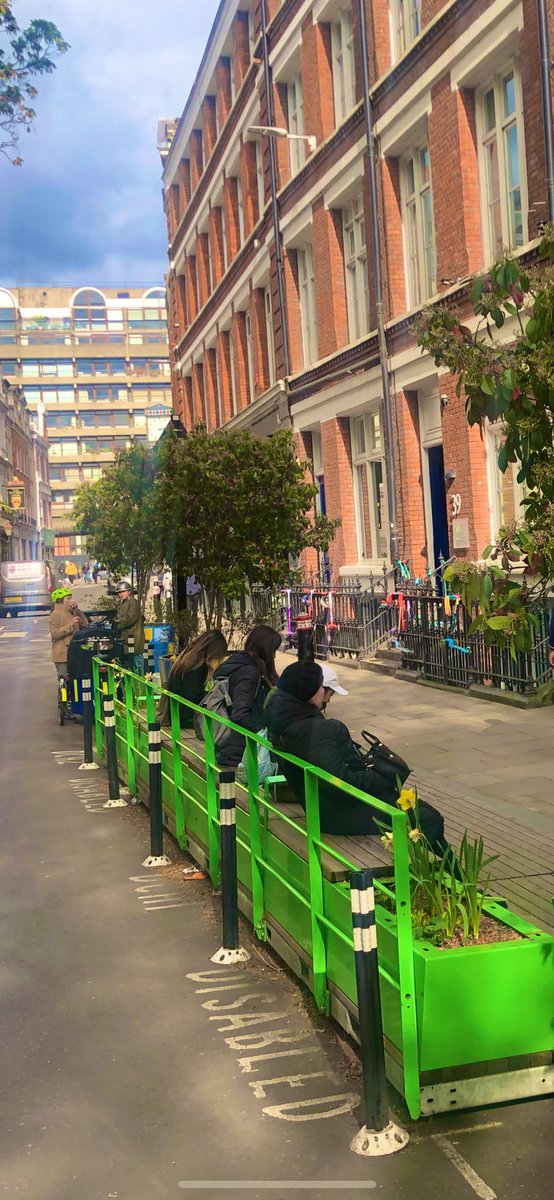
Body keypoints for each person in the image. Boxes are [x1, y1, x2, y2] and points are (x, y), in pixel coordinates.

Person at [264, 659, 448, 851]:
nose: (323, 693)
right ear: (308, 692)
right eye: (320, 686)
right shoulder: (318, 730)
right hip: (340, 814)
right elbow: (340, 784)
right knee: (429, 819)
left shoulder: (282, 724)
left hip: (323, 807)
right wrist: (382, 778)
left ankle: (445, 874)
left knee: (422, 811)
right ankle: (430, 877)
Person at [212, 624, 281, 766]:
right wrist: (265, 733)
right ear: (265, 648)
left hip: (237, 746)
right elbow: (240, 714)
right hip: (240, 749)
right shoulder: (250, 672)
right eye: (273, 650)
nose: (274, 656)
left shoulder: (242, 665)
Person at [157, 630, 228, 727]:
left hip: (176, 712)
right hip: (184, 717)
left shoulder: (189, 655)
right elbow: (193, 695)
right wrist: (215, 696)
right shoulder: (197, 664)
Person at [48, 587, 88, 679]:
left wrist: (77, 610)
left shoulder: (72, 612)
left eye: (71, 598)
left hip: (76, 652)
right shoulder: (55, 614)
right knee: (65, 680)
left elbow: (85, 624)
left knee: (78, 679)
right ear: (60, 601)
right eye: (68, 598)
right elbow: (55, 634)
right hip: (62, 655)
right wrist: (70, 624)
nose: (71, 600)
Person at [114, 579, 145, 675]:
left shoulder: (133, 602)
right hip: (126, 638)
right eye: (119, 592)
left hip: (134, 637)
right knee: (129, 665)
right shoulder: (123, 603)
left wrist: (117, 622)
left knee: (137, 664)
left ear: (129, 591)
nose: (121, 594)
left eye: (123, 591)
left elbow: (130, 619)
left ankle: (140, 686)